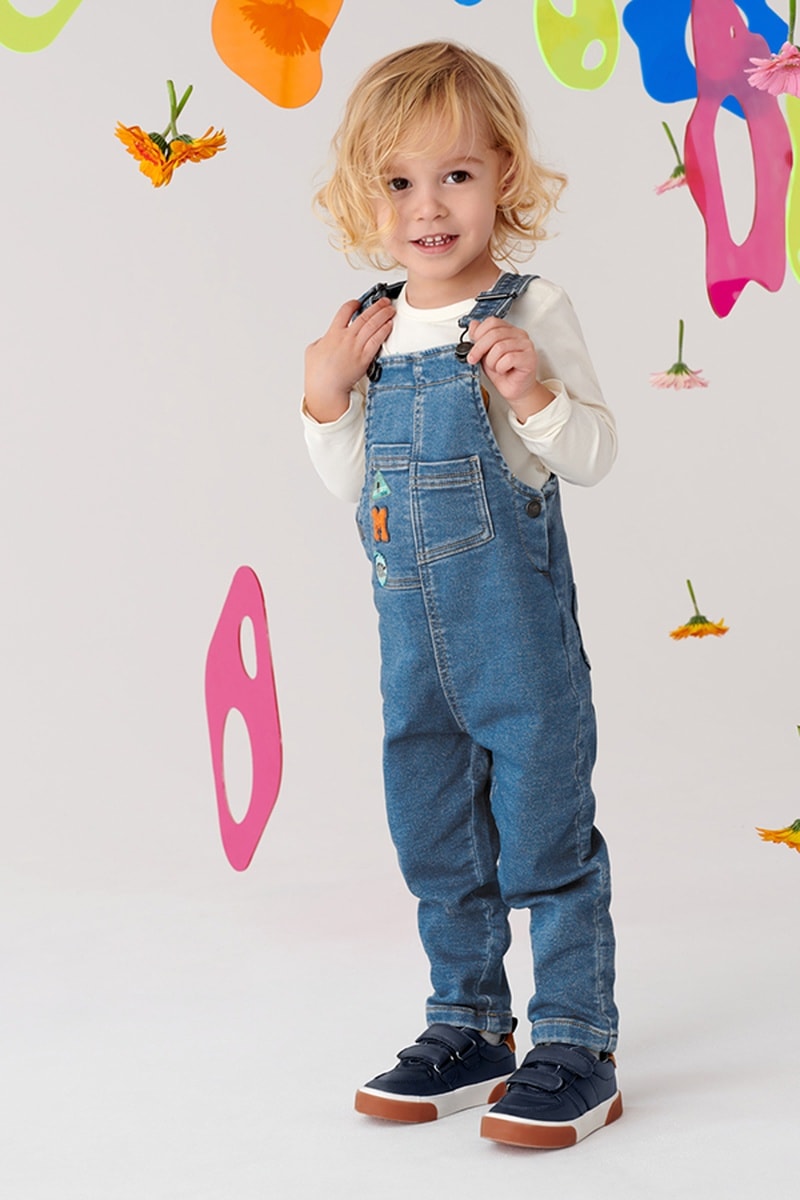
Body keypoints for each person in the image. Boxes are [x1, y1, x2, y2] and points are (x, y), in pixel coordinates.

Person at [302, 41, 621, 1150]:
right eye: (398, 182)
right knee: (436, 837)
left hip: (517, 645)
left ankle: (575, 1041)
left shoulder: (528, 307)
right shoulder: (369, 325)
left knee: (544, 840)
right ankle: (469, 1025)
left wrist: (533, 394)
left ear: (502, 177)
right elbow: (353, 486)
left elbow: (592, 454)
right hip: (413, 658)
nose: (427, 207)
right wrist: (325, 397)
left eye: (456, 175)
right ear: (365, 194)